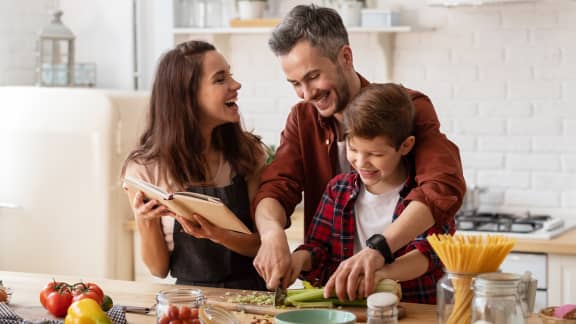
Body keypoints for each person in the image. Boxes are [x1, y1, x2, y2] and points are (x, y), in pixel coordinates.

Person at [252, 4, 466, 300]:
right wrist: (272, 233)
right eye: (295, 84)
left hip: (410, 299)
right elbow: (277, 187)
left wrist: (378, 252)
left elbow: (442, 187)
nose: (306, 93)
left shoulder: (408, 108)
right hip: (339, 301)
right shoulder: (302, 119)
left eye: (313, 76)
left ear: (345, 57)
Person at [288, 83, 454, 304]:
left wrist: (382, 274)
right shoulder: (337, 190)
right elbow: (318, 248)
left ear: (405, 146)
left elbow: (429, 254)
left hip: (414, 310)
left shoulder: (424, 198)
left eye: (376, 154)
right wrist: (298, 260)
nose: (361, 162)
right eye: (353, 149)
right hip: (351, 312)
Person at [121, 40, 267, 290]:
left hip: (250, 297)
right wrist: (144, 221)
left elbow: (262, 245)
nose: (235, 85)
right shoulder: (143, 171)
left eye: (229, 75)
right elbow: (158, 269)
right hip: (188, 302)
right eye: (220, 79)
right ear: (187, 96)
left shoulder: (247, 154)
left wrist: (217, 234)